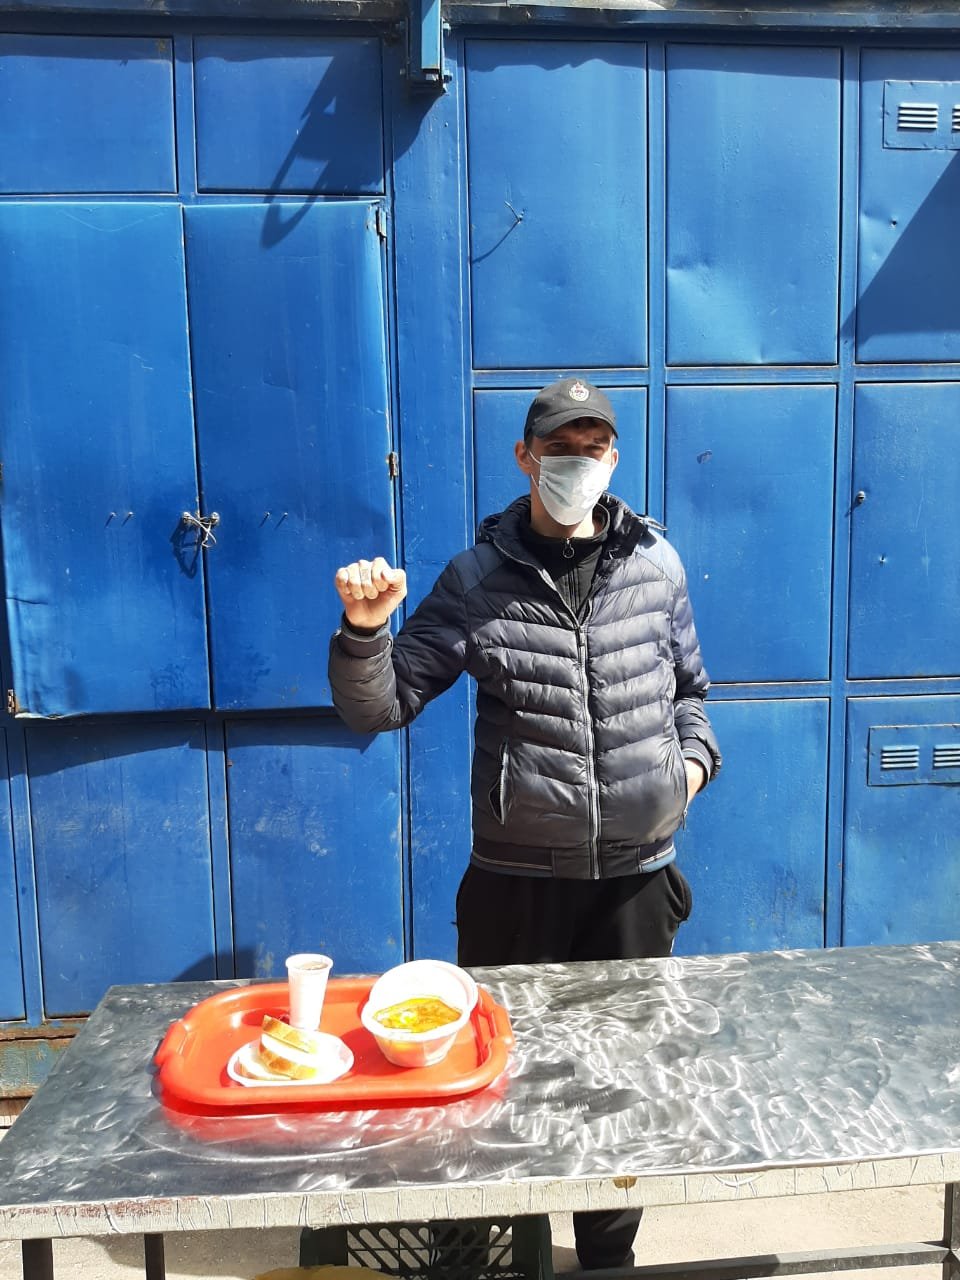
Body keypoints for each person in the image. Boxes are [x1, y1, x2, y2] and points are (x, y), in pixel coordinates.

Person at [328, 376, 721, 1271]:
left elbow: (690, 691)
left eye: (593, 447)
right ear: (525, 456)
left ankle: (607, 1256)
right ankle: (467, 1255)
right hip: (516, 885)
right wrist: (364, 634)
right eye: (559, 447)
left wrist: (688, 771)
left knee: (621, 1083)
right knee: (487, 1081)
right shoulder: (476, 580)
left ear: (614, 457)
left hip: (634, 882)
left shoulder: (656, 565)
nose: (577, 462)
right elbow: (380, 705)